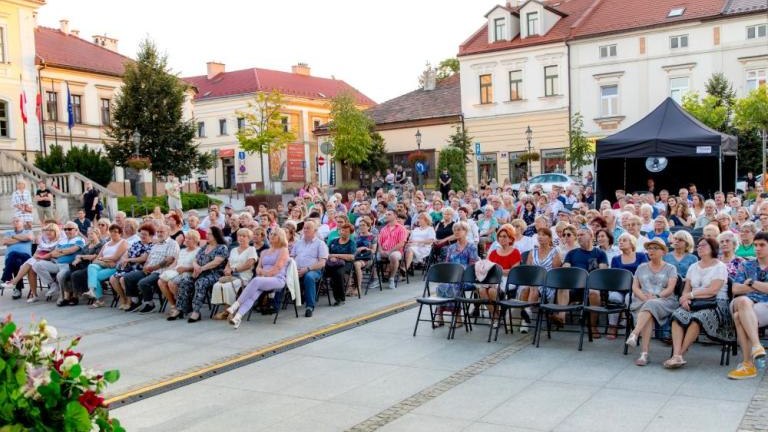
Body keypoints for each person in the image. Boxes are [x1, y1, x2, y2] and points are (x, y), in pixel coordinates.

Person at [665, 237, 731, 369]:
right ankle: (676, 354)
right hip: (694, 301)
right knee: (677, 316)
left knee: (697, 318)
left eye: (703, 245)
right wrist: (685, 299)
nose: (699, 248)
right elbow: (686, 289)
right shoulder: (693, 266)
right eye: (698, 246)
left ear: (713, 248)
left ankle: (680, 355)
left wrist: (691, 295)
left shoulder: (720, 266)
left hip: (716, 303)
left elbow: (713, 290)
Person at [227, 228, 291, 329]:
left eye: (275, 234)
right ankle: (237, 318)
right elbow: (257, 268)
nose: (272, 236)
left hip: (277, 279)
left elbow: (277, 269)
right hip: (262, 279)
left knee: (256, 280)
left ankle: (235, 305)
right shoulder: (264, 252)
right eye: (271, 234)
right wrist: (262, 273)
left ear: (280, 237)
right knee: (253, 295)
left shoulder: (283, 250)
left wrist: (263, 273)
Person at [727, 232, 768, 379]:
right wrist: (761, 287)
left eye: (762, 245)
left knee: (739, 317)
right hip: (742, 301)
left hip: (764, 305)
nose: (757, 248)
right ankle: (757, 346)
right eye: (755, 245)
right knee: (743, 301)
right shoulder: (746, 264)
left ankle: (748, 364)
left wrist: (751, 283)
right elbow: (735, 289)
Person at [169, 226, 229, 322]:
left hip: (214, 274)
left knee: (200, 282)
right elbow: (195, 259)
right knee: (185, 280)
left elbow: (216, 262)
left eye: (209, 234)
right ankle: (179, 309)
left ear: (216, 235)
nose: (207, 235)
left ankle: (196, 311)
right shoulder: (205, 247)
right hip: (200, 272)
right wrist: (196, 266)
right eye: (206, 234)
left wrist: (201, 268)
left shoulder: (222, 247)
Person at [120, 224, 180, 313]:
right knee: (127, 277)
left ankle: (150, 304)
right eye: (158, 232)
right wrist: (145, 267)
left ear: (168, 232)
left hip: (161, 271)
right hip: (149, 269)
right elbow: (149, 258)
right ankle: (136, 301)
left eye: (162, 232)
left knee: (143, 283)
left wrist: (153, 268)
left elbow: (169, 260)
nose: (159, 234)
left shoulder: (172, 243)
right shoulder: (156, 244)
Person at [562, 227, 608, 337]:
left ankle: (592, 326)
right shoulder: (572, 253)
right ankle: (561, 316)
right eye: (577, 235)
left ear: (591, 236)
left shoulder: (600, 253)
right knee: (562, 285)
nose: (579, 237)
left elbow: (602, 273)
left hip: (592, 285)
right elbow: (565, 269)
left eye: (582, 234)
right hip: (575, 285)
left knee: (594, 292)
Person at [434, 222, 479, 327]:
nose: (457, 232)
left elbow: (473, 265)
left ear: (466, 232)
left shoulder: (471, 247)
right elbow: (447, 264)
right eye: (455, 230)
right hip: (452, 277)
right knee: (442, 285)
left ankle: (458, 317)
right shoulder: (451, 247)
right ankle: (439, 315)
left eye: (460, 230)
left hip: (466, 278)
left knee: (454, 285)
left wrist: (461, 271)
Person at [2, 223, 60, 302]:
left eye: (51, 230)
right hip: (40, 261)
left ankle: (13, 282)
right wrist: (37, 257)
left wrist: (41, 257)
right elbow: (36, 253)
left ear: (56, 232)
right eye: (47, 230)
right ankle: (34, 295)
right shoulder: (44, 241)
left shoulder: (59, 241)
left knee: (27, 261)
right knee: (30, 267)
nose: (48, 232)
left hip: (54, 262)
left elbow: (55, 255)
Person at [211, 229, 258, 320]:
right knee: (217, 285)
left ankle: (229, 311)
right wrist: (226, 269)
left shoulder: (251, 249)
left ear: (249, 238)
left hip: (243, 276)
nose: (241, 238)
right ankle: (227, 310)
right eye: (239, 236)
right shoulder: (233, 250)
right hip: (230, 275)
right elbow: (229, 263)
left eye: (244, 236)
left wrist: (234, 270)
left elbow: (249, 265)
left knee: (228, 286)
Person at [31, 222, 84, 300]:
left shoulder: (79, 239)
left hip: (68, 265)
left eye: (69, 229)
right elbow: (53, 254)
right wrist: (62, 252)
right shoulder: (62, 240)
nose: (66, 231)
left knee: (60, 276)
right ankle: (53, 284)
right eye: (65, 229)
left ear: (76, 230)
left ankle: (62, 296)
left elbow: (71, 250)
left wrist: (60, 251)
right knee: (36, 265)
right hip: (57, 263)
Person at [484, 224, 521, 327]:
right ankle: (496, 316)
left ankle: (496, 317)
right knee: (481, 290)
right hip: (494, 278)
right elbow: (488, 267)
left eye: (505, 236)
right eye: (500, 236)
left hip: (508, 280)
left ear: (510, 239)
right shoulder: (494, 253)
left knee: (491, 291)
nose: (502, 238)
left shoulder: (515, 252)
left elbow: (513, 271)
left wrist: (498, 270)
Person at [85, 225, 129, 306]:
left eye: (115, 232)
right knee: (91, 266)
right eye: (111, 231)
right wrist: (105, 261)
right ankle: (91, 290)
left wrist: (102, 259)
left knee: (95, 276)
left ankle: (100, 300)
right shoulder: (106, 244)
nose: (113, 233)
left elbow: (115, 258)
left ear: (120, 233)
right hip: (104, 265)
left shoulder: (123, 242)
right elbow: (97, 258)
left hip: (115, 267)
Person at [292, 221, 329, 317]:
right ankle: (274, 305)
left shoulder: (320, 244)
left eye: (308, 228)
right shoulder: (298, 243)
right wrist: (294, 269)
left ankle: (310, 306)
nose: (305, 230)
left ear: (315, 231)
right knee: (282, 275)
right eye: (304, 228)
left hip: (313, 270)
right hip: (297, 269)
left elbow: (322, 263)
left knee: (309, 277)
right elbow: (292, 257)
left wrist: (307, 269)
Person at [158, 230, 201, 313]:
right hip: (177, 272)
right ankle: (173, 305)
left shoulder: (199, 251)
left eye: (189, 239)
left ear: (195, 240)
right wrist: (168, 270)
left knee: (171, 283)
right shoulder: (182, 251)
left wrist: (185, 269)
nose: (186, 240)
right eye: (186, 238)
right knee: (160, 281)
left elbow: (198, 267)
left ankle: (181, 305)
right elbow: (174, 263)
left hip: (188, 274)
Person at [1, 217, 34, 299]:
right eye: (13, 221)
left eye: (17, 221)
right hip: (11, 260)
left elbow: (29, 238)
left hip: (26, 258)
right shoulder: (8, 233)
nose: (15, 222)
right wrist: (22, 239)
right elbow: (5, 242)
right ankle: (17, 289)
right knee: (16, 261)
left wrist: (13, 237)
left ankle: (4, 279)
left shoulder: (28, 231)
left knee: (13, 254)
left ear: (23, 223)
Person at [325, 223, 356, 306]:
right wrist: (330, 257)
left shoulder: (351, 243)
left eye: (346, 231)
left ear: (350, 233)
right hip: (332, 262)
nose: (343, 232)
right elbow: (327, 252)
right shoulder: (333, 241)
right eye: (342, 230)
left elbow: (351, 257)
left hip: (346, 263)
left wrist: (336, 256)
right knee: (322, 271)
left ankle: (340, 298)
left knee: (338, 273)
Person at [377, 210, 408, 290]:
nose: (386, 215)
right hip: (383, 250)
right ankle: (375, 279)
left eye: (389, 214)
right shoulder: (384, 229)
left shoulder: (401, 228)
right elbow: (379, 242)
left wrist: (390, 251)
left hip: (396, 251)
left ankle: (391, 278)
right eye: (386, 214)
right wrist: (380, 251)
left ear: (395, 216)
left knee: (393, 256)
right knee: (373, 257)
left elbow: (401, 243)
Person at [352, 218, 377, 294]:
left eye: (363, 225)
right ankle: (349, 286)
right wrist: (357, 249)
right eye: (360, 225)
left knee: (356, 264)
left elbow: (373, 250)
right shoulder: (356, 237)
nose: (361, 227)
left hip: (366, 258)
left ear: (368, 227)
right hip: (356, 256)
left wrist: (365, 248)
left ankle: (358, 287)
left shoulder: (372, 237)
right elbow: (352, 248)